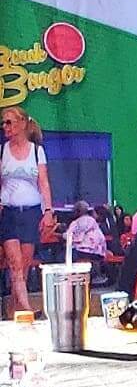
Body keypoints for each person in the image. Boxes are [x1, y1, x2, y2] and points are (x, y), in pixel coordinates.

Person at [0, 106, 54, 313]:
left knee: (23, 268)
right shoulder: (2, 150)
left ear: (22, 123)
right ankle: (27, 310)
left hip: (31, 212)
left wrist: (48, 211)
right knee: (14, 264)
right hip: (9, 212)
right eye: (3, 123)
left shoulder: (36, 151)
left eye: (9, 122)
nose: (6, 127)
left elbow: (43, 182)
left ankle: (14, 312)